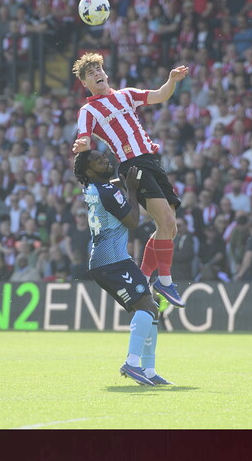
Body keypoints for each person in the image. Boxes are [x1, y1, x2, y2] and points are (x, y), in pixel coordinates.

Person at [70, 52, 187, 309]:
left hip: (152, 162)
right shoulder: (88, 110)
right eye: (90, 73)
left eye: (98, 69)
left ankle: (145, 277)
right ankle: (164, 281)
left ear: (106, 73)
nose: (97, 74)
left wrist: (172, 81)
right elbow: (85, 138)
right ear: (85, 83)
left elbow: (159, 95)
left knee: (170, 228)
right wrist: (81, 145)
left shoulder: (126, 95)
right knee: (166, 223)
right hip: (132, 164)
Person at [74, 150, 172, 386]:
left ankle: (148, 371)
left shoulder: (93, 188)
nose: (105, 160)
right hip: (112, 262)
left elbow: (106, 186)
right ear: (89, 171)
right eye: (99, 161)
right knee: (147, 307)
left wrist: (125, 181)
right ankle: (132, 363)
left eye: (103, 156)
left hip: (113, 260)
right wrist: (133, 190)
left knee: (152, 307)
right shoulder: (107, 192)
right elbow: (133, 221)